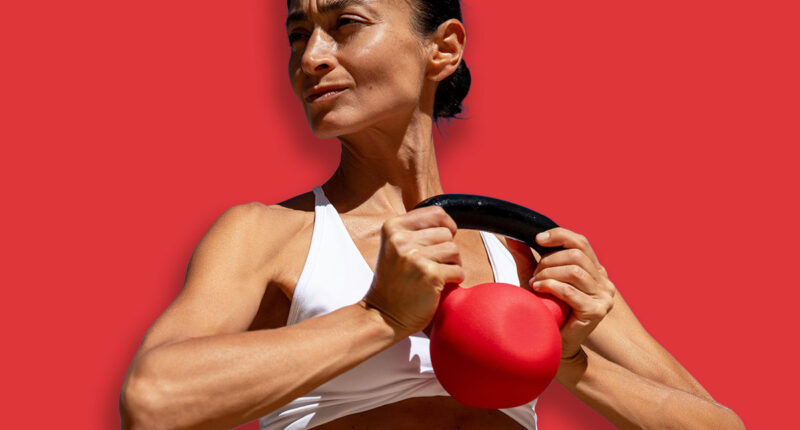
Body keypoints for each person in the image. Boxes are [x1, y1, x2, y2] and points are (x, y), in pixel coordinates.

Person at [119, 1, 746, 429]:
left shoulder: (530, 247)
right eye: (298, 34)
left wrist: (568, 361)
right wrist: (379, 317)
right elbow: (154, 402)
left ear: (443, 48)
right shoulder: (267, 233)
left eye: (345, 24)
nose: (311, 57)